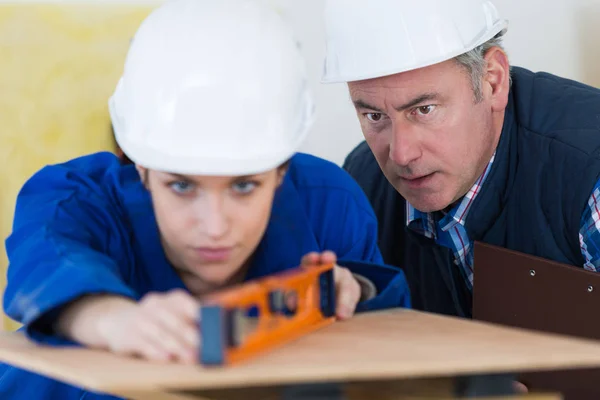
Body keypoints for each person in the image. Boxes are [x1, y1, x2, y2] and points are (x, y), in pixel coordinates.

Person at [0, 0, 411, 399]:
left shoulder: (328, 205)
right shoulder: (77, 199)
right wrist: (110, 320)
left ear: (281, 171)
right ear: (141, 167)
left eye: (244, 186)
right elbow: (47, 257)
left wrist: (357, 292)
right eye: (181, 186)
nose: (214, 227)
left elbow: (396, 348)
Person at [321, 0, 600, 317]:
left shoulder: (589, 172)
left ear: (492, 81)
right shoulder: (360, 186)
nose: (401, 154)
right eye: (374, 116)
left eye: (425, 110)